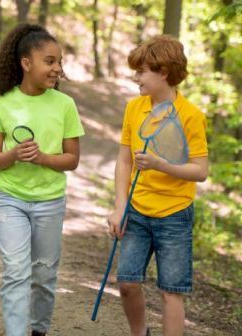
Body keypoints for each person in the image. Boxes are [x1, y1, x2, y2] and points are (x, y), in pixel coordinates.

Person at [0, 23, 85, 336]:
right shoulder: (4, 103)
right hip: (11, 199)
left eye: (58, 62)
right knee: (15, 272)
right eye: (50, 61)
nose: (56, 69)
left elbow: (72, 159)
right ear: (27, 64)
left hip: (50, 202)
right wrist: (13, 155)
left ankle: (39, 329)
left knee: (43, 274)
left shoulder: (65, 105)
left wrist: (42, 159)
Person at [108, 35, 209, 336]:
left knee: (170, 291)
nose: (136, 77)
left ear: (163, 72)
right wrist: (119, 206)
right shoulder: (133, 108)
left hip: (175, 215)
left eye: (142, 71)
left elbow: (200, 171)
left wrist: (161, 165)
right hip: (137, 211)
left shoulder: (191, 116)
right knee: (126, 283)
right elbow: (124, 160)